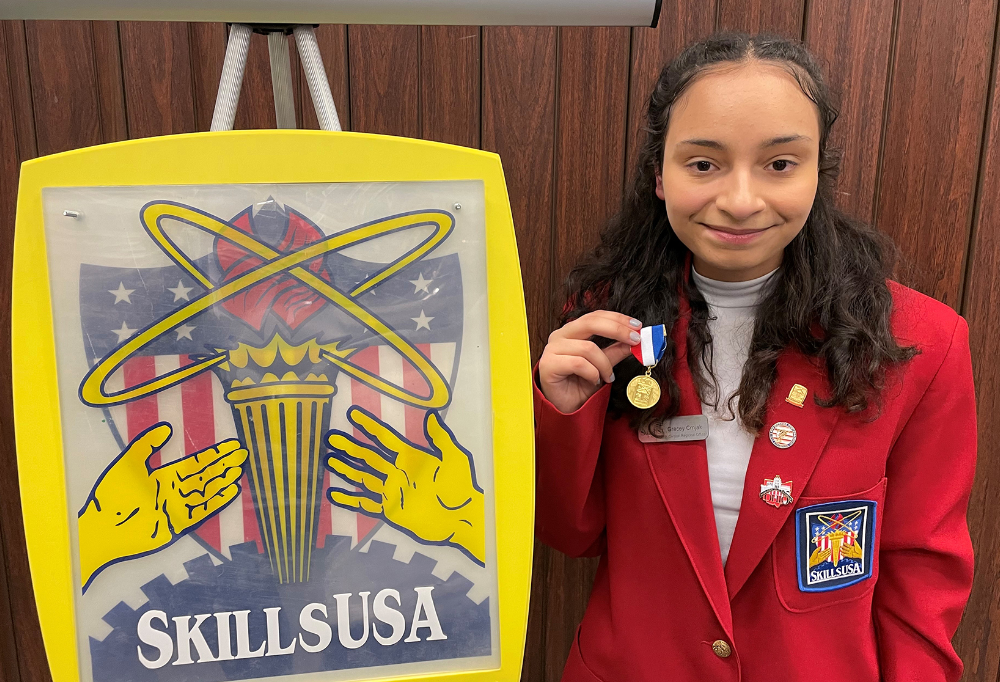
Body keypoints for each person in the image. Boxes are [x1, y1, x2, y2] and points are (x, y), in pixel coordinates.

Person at [534, 32, 976, 682]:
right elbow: (572, 536)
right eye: (704, 164)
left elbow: (922, 580)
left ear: (819, 171)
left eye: (779, 164)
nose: (741, 201)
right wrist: (560, 414)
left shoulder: (921, 344)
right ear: (660, 175)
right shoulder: (607, 320)